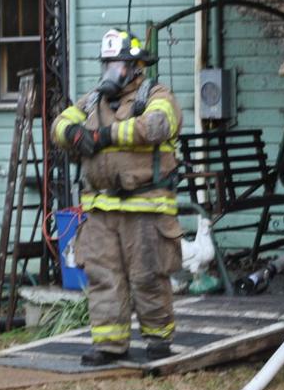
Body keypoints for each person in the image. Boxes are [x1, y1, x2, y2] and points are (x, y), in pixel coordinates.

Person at [51, 29, 184, 366]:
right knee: (103, 277)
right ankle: (109, 345)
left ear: (136, 67)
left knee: (148, 276)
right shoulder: (92, 101)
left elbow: (157, 126)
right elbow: (59, 125)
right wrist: (73, 133)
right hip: (100, 208)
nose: (112, 71)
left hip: (146, 206)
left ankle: (158, 341)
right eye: (108, 64)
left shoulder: (156, 95)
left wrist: (106, 135)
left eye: (119, 64)